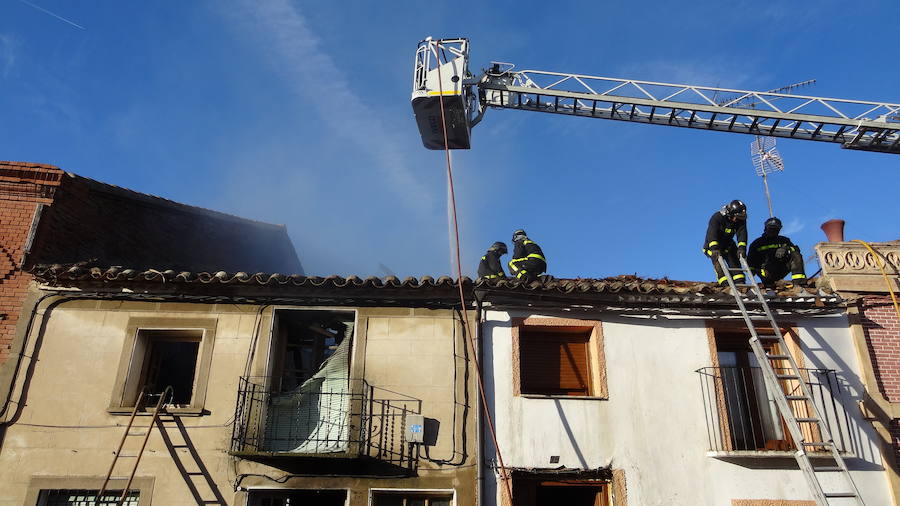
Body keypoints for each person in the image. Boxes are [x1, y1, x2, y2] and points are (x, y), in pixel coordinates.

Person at [748, 217, 808, 288]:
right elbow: (751, 260)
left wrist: (786, 249)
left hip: (781, 268)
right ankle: (769, 283)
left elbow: (795, 250)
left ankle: (799, 283)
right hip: (766, 272)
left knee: (795, 255)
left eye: (776, 229)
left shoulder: (784, 240)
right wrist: (752, 274)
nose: (773, 231)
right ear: (766, 228)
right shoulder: (757, 243)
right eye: (771, 228)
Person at [703, 200, 748, 286]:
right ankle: (726, 286)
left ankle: (741, 287)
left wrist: (742, 248)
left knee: (737, 271)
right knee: (720, 268)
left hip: (728, 245)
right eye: (737, 217)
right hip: (712, 247)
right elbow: (712, 234)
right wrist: (714, 248)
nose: (738, 220)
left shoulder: (740, 220)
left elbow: (742, 234)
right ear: (730, 214)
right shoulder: (717, 218)